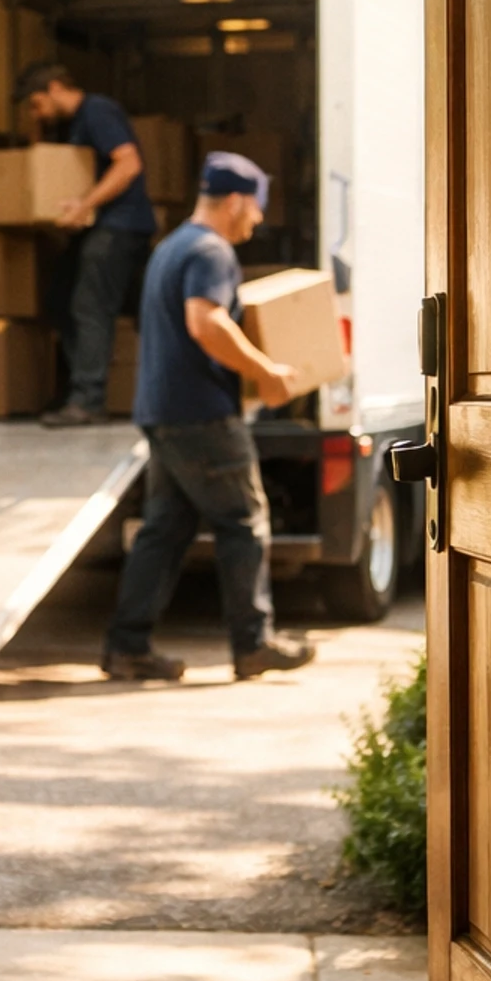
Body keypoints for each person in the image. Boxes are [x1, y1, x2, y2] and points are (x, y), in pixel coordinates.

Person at [102, 150, 318, 683]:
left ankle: (127, 647)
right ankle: (253, 644)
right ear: (238, 201)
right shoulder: (212, 251)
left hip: (163, 411)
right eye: (257, 208)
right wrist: (266, 372)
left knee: (165, 530)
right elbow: (206, 322)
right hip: (202, 414)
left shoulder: (171, 247)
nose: (259, 219)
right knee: (244, 522)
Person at [13, 61, 156, 426]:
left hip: (119, 226)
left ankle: (88, 400)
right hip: (100, 228)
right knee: (59, 299)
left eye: (36, 104)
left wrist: (85, 205)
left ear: (54, 89)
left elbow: (128, 164)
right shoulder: (71, 126)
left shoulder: (98, 111)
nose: (36, 114)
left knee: (89, 307)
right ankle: (78, 389)